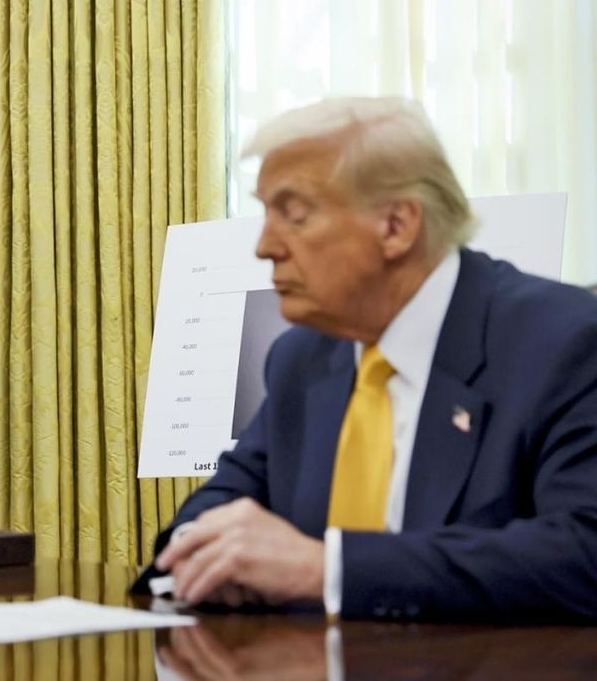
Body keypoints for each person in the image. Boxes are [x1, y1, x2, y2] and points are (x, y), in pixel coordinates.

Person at [136, 97, 597, 621]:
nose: (264, 247)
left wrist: (327, 571)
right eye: (265, 214)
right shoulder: (301, 358)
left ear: (397, 226)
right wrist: (204, 552)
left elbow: (584, 552)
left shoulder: (563, 342)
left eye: (295, 216)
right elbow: (225, 500)